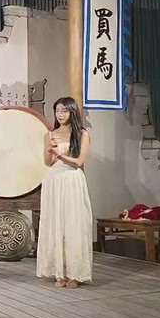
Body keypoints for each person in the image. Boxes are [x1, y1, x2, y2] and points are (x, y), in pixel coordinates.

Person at [36, 97, 93, 288]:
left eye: (64, 111)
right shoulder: (50, 134)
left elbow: (79, 162)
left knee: (73, 223)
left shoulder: (82, 134)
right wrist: (49, 150)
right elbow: (48, 162)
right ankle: (59, 273)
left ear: (72, 112)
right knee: (55, 223)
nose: (60, 115)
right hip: (53, 179)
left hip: (71, 179)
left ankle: (75, 274)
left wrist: (60, 154)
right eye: (57, 111)